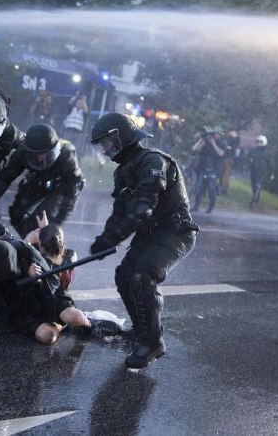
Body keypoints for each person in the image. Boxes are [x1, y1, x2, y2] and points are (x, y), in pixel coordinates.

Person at [88, 112, 198, 369]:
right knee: (124, 275)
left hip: (175, 231)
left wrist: (114, 237)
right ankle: (140, 331)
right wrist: (104, 240)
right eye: (101, 145)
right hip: (150, 233)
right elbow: (120, 213)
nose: (104, 149)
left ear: (121, 137)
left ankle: (153, 342)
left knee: (142, 275)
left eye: (106, 143)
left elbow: (143, 205)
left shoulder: (153, 160)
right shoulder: (122, 172)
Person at [0, 225, 123, 344]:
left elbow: (53, 284)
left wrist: (37, 279)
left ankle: (89, 324)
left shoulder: (25, 252)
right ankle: (63, 326)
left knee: (75, 316)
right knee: (47, 336)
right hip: (21, 311)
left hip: (45, 297)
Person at [0, 124, 85, 237]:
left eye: (45, 155)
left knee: (42, 217)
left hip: (60, 185)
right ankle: (29, 241)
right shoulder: (22, 153)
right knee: (15, 214)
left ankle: (44, 245)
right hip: (37, 179)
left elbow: (72, 190)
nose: (41, 159)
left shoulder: (67, 155)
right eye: (37, 156)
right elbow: (4, 179)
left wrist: (58, 220)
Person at [190, 127, 225, 213]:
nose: (214, 135)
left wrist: (213, 144)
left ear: (220, 134)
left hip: (214, 169)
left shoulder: (222, 143)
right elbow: (195, 149)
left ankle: (211, 207)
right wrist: (202, 140)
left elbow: (220, 153)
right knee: (199, 187)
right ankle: (196, 206)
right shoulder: (207, 142)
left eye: (216, 134)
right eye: (213, 134)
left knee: (211, 189)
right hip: (204, 168)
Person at [246, 135, 273, 209]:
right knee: (254, 185)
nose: (258, 143)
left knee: (258, 185)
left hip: (261, 171)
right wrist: (249, 162)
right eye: (257, 141)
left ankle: (253, 201)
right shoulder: (253, 150)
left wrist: (272, 173)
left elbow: (270, 163)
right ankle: (257, 197)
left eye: (260, 142)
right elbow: (248, 158)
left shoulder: (267, 153)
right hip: (253, 170)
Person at [220, 127, 240, 195]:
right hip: (224, 157)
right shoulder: (228, 138)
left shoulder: (237, 139)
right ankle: (221, 186)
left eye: (230, 131)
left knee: (226, 174)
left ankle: (224, 189)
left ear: (233, 131)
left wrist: (227, 146)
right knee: (222, 173)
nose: (229, 133)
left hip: (230, 158)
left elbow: (232, 147)